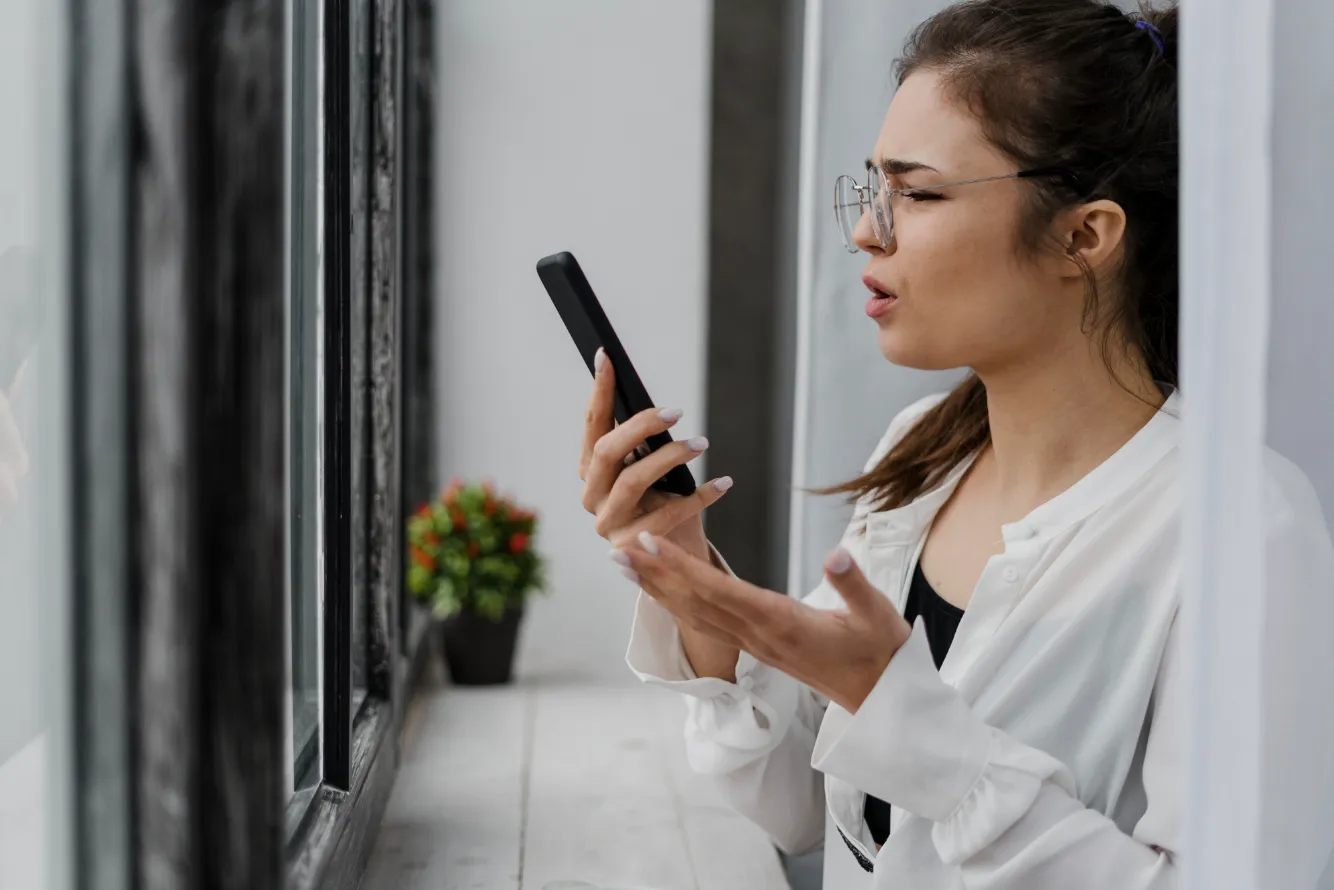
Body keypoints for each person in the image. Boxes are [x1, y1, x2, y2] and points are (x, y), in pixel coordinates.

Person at [577, 1, 1334, 887]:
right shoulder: (922, 457)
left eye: (919, 193)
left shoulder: (1242, 529)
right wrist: (694, 589)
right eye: (874, 188)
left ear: (1084, 236)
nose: (867, 230)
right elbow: (807, 815)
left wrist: (899, 717)